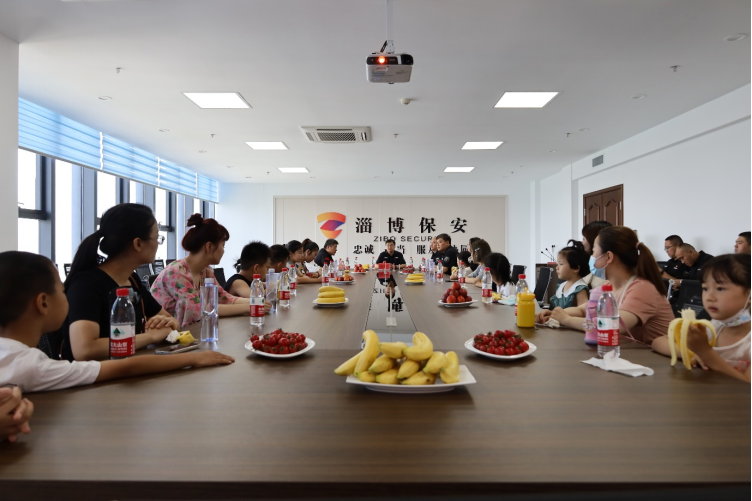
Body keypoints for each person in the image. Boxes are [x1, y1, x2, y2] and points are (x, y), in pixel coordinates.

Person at [0, 251, 234, 395]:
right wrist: (194, 358)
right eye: (62, 291)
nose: (67, 295)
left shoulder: (16, 359)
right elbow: (126, 367)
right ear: (43, 303)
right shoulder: (31, 366)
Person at [60, 204, 179, 362]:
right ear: (138, 244)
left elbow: (169, 320)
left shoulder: (132, 280)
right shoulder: (86, 284)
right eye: (156, 237)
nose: (158, 244)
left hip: (127, 368)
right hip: (94, 376)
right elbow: (85, 349)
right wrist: (150, 337)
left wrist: (170, 323)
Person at [536, 226, 674, 344]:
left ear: (608, 257)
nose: (591, 257)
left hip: (657, 363)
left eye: (594, 251)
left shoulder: (642, 288)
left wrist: (567, 320)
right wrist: (556, 314)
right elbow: (583, 310)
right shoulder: (609, 286)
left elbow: (611, 326)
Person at [652, 254, 750, 383]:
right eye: (705, 288)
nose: (709, 297)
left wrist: (705, 352)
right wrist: (691, 352)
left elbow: (747, 383)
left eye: (720, 288)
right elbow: (658, 342)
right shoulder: (715, 326)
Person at [151, 214, 249, 328]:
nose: (223, 251)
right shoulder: (176, 272)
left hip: (187, 332)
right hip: (164, 335)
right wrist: (248, 307)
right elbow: (197, 309)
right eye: (223, 246)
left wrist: (256, 302)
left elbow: (224, 298)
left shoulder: (206, 271)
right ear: (209, 247)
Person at [547, 240, 590, 310]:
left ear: (575, 268)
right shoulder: (561, 286)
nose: (557, 267)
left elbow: (583, 311)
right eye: (558, 264)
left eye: (561, 264)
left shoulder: (580, 289)